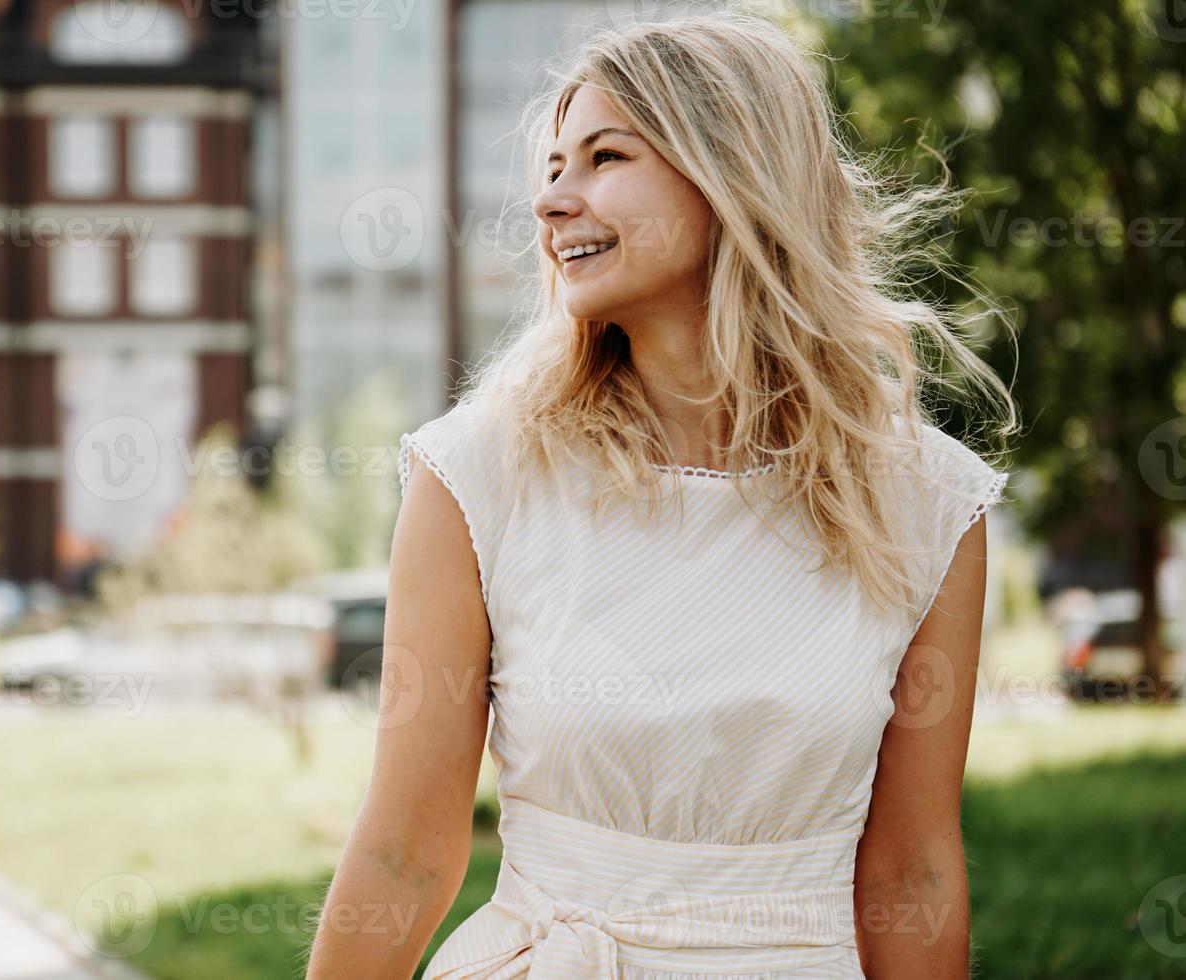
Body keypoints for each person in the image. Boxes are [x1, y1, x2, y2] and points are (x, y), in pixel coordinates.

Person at [306, 10, 1018, 979]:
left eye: (604, 156)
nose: (554, 201)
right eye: (552, 168)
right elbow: (402, 848)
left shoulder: (927, 500)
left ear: (733, 173)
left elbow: (914, 865)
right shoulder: (478, 473)